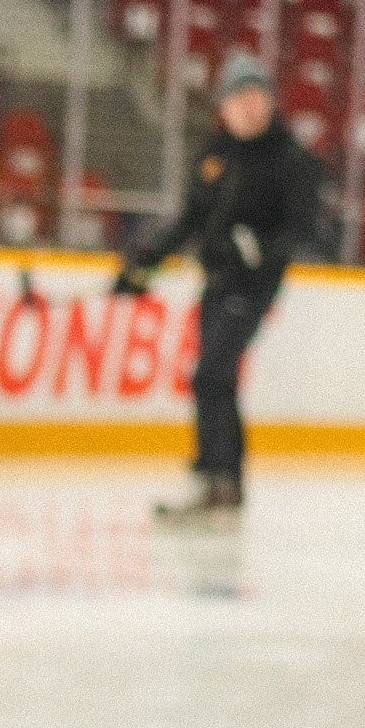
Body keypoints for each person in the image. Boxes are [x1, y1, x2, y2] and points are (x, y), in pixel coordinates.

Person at [111, 48, 327, 520]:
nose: (249, 106)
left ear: (271, 102)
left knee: (210, 373)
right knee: (217, 377)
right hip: (218, 280)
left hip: (253, 285)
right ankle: (226, 484)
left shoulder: (290, 158)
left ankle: (214, 480)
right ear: (223, 106)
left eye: (257, 96)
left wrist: (262, 253)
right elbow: (191, 217)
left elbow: (303, 226)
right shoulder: (215, 154)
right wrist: (144, 263)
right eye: (239, 97)